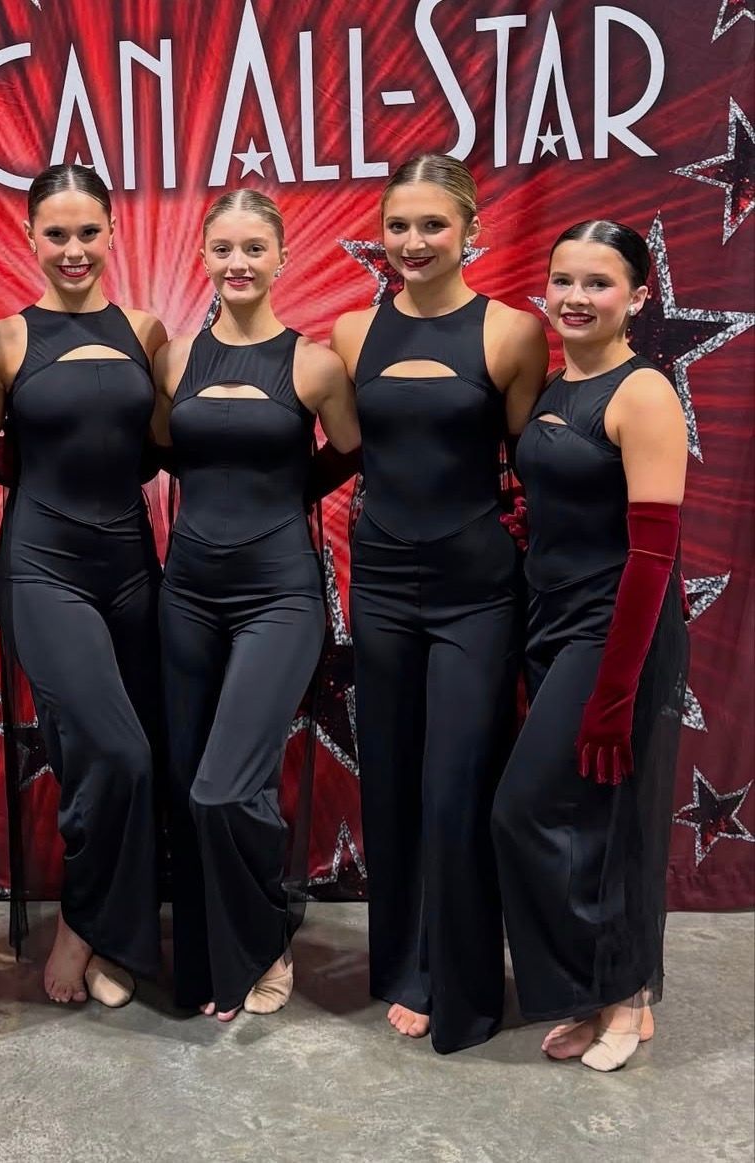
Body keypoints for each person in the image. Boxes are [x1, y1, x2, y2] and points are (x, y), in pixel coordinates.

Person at [330, 154, 547, 1053]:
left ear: (471, 231)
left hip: (477, 589)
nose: (413, 241)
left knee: (458, 784)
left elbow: (536, 464)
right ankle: (407, 963)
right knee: (390, 779)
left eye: (432, 225)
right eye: (398, 225)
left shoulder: (514, 334)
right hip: (380, 583)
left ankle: (463, 980)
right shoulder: (350, 333)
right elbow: (346, 451)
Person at [155, 189, 359, 1021]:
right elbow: (166, 447)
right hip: (186, 594)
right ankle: (211, 952)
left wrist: (280, 495)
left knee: (226, 785)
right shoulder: (174, 358)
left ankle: (265, 934)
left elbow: (347, 452)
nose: (237, 263)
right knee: (188, 784)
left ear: (281, 257)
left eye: (254, 248)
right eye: (223, 248)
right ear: (203, 256)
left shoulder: (314, 365)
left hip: (279, 594)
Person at [492, 220, 688, 1072]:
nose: (575, 297)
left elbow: (653, 556)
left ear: (638, 297)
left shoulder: (643, 394)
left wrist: (614, 689)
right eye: (563, 280)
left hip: (616, 630)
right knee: (580, 818)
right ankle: (597, 989)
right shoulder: (555, 382)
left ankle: (625, 993)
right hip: (552, 619)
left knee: (558, 811)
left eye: (598, 283)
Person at [0, 163, 166, 1007]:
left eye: (89, 231)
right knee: (114, 749)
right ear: (31, 238)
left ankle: (116, 935)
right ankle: (82, 924)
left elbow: (155, 445)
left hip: (131, 564)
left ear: (113, 232)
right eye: (57, 234)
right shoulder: (3, 340)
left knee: (129, 751)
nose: (74, 248)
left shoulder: (147, 331)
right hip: (43, 565)